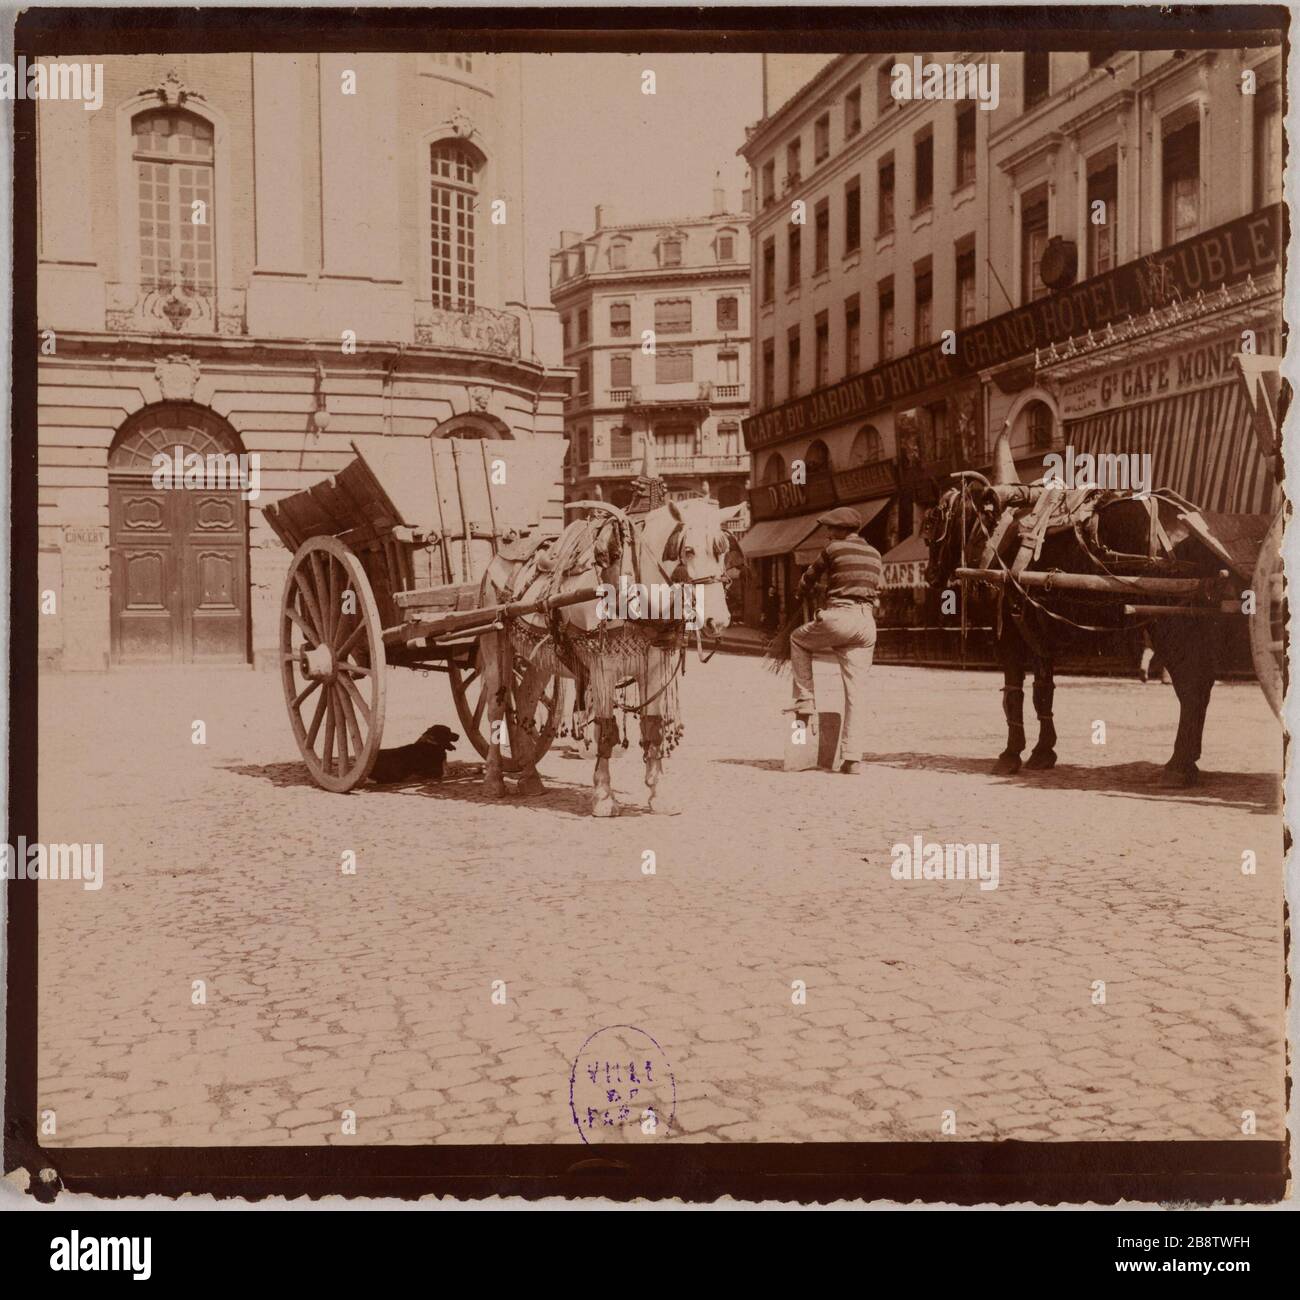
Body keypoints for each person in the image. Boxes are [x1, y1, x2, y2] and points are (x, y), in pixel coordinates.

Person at [785, 507, 882, 774]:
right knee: (856, 694)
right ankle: (852, 758)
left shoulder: (833, 550)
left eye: (831, 530)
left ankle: (805, 701)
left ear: (841, 531)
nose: (828, 534)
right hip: (866, 623)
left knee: (798, 640)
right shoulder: (874, 554)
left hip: (840, 616)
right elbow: (876, 588)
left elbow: (810, 577)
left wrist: (802, 591)